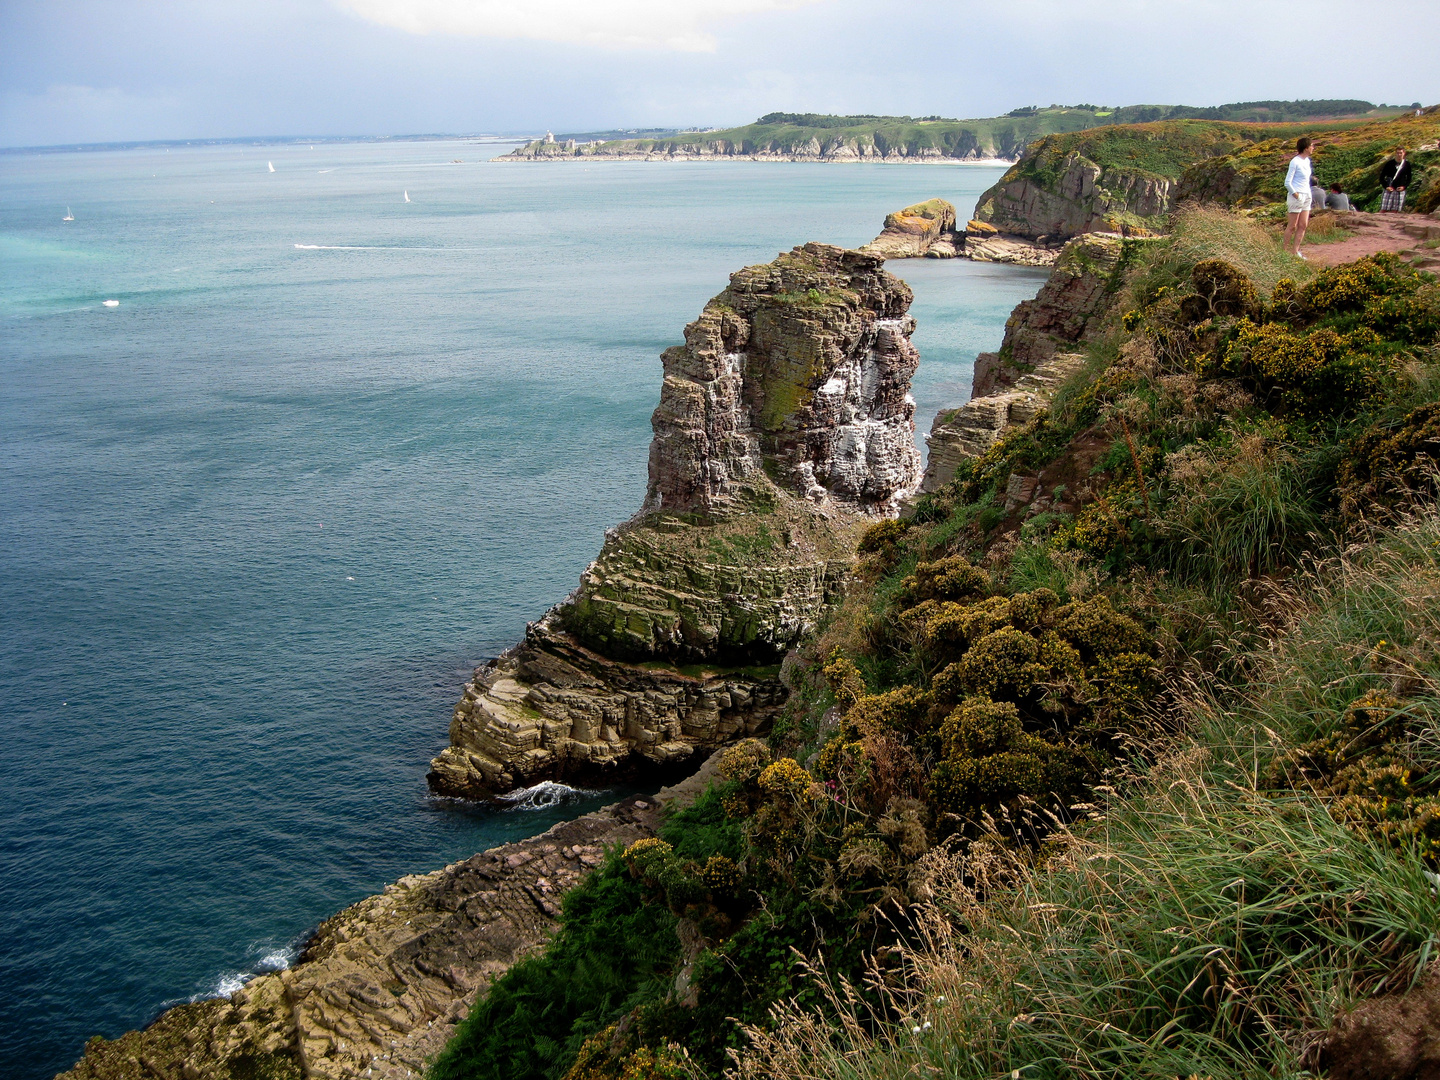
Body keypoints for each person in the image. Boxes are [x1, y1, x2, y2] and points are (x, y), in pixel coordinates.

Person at [1283, 137, 1315, 258]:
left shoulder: (1307, 161)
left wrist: (1307, 195)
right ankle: (1284, 251)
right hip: (1297, 196)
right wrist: (1296, 195)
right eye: (1311, 146)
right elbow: (1287, 182)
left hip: (1307, 195)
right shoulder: (1295, 161)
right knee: (1292, 226)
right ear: (1305, 148)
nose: (1313, 148)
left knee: (1303, 225)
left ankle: (1295, 251)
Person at [1380, 148, 1412, 212]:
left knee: (1395, 210)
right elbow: (1381, 177)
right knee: (1384, 209)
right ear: (1395, 153)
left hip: (1400, 190)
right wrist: (1386, 187)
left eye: (1401, 153)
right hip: (1389, 189)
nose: (1399, 154)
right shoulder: (1389, 164)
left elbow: (1409, 178)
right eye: (1397, 153)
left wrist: (1404, 187)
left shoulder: (1407, 164)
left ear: (1404, 153)